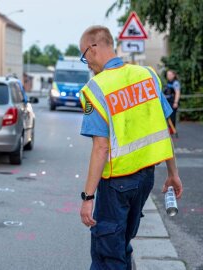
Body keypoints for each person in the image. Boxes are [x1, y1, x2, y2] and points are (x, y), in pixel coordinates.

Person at [78, 26, 183, 270]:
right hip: (146, 180)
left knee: (107, 256)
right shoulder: (148, 75)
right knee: (122, 244)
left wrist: (88, 197)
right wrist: (173, 173)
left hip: (116, 184)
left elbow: (100, 148)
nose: (86, 64)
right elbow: (164, 130)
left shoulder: (95, 89)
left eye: (84, 56)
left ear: (93, 48)